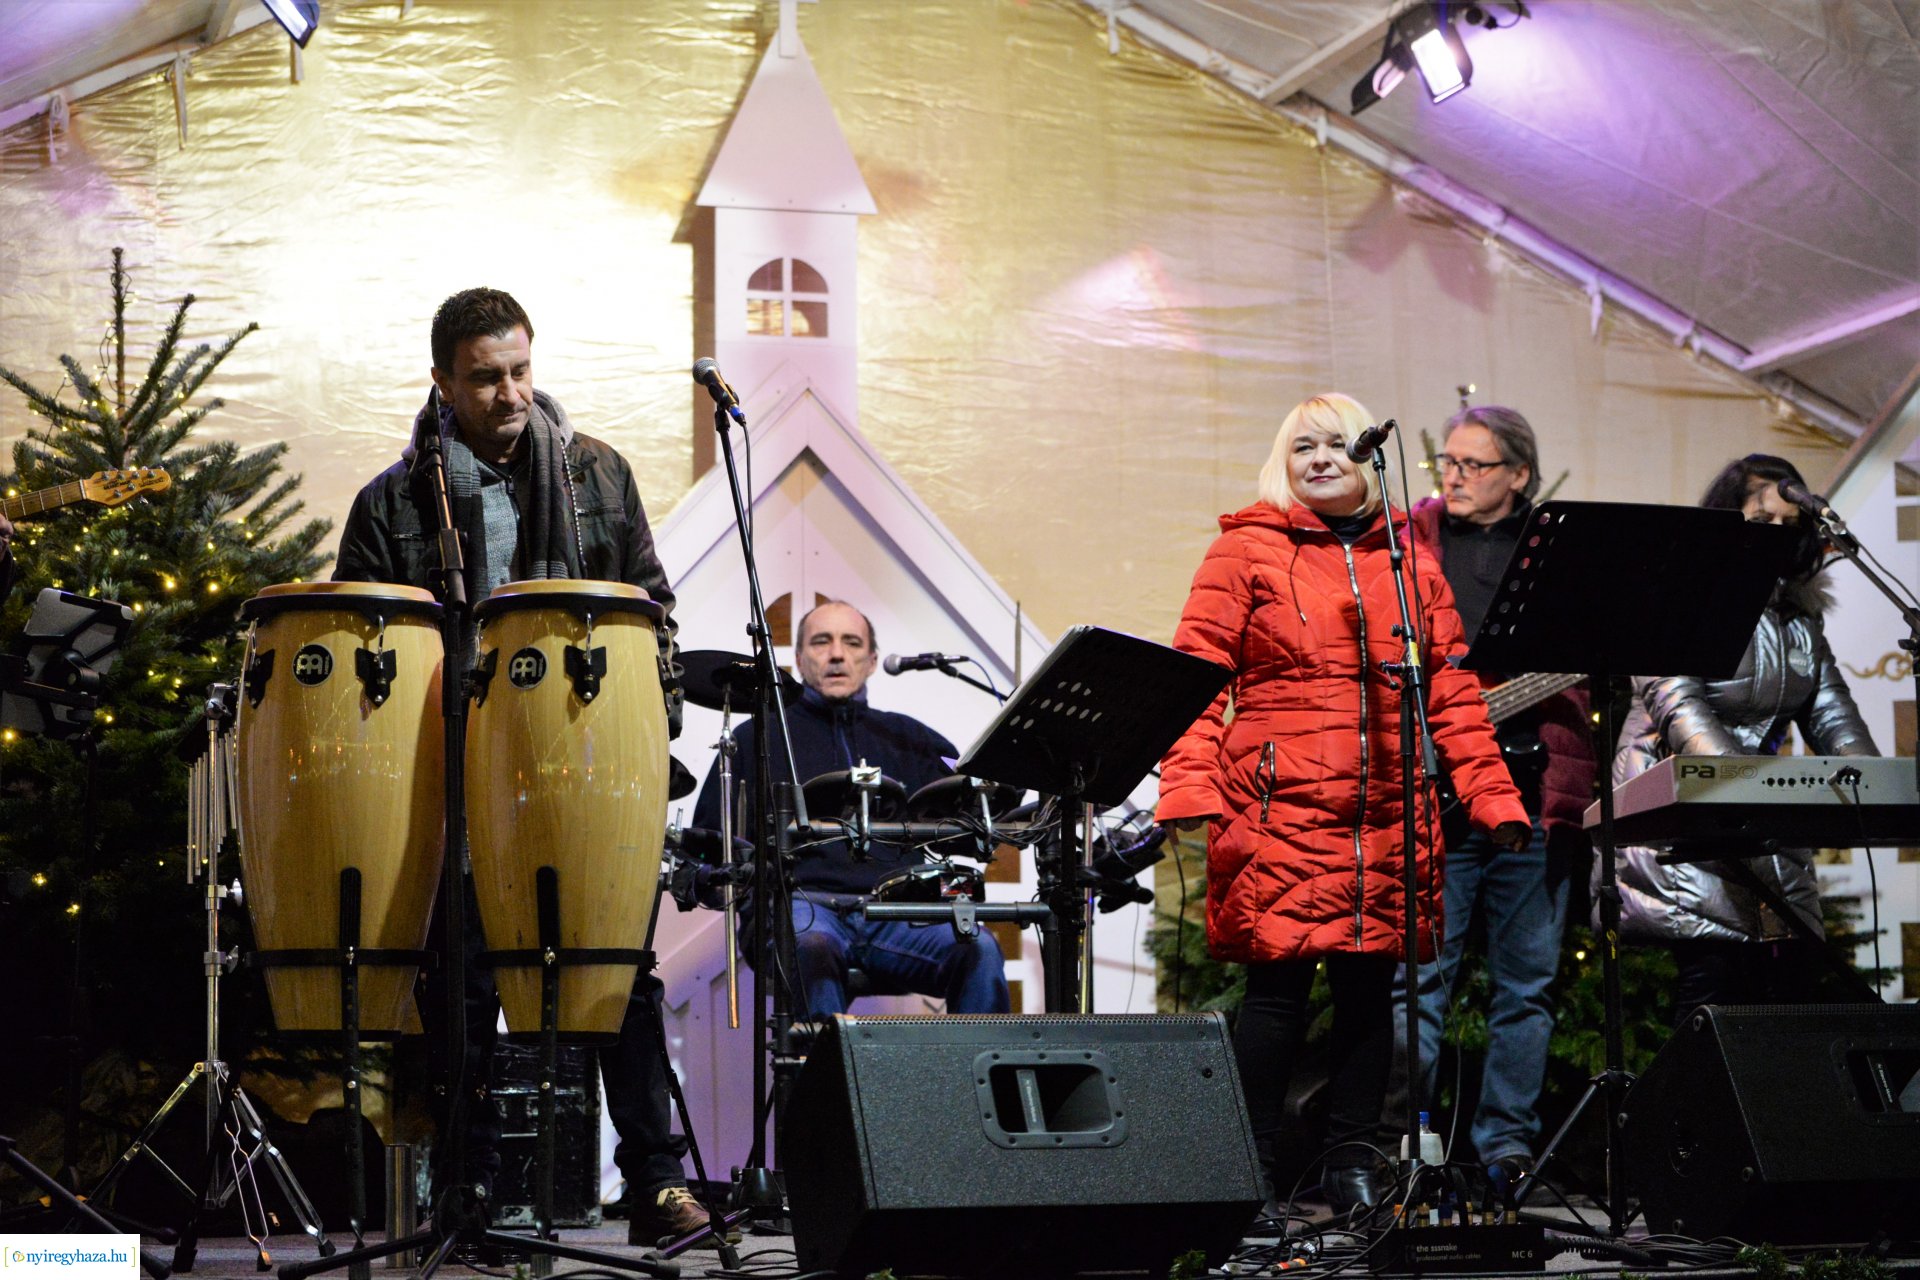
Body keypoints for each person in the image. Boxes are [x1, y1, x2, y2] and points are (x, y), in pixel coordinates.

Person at [334, 287, 711, 1245]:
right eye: (486, 378)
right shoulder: (393, 501)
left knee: (617, 978)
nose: (510, 395)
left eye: (521, 372)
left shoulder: (599, 474)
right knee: (459, 985)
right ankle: (464, 1198)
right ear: (442, 382)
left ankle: (657, 1189)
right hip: (456, 773)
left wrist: (651, 727)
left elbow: (651, 609)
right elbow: (360, 646)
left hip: (584, 767)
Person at [1155, 392, 1528, 1216]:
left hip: (1389, 811)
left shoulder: (1408, 561)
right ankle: (1244, 1173)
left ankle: (1353, 1166)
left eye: (1335, 444)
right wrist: (1188, 785)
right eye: (1302, 448)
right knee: (1277, 997)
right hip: (1278, 807)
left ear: (1365, 456)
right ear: (1281, 466)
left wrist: (1491, 796)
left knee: (1369, 995)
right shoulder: (1244, 551)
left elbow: (1454, 693)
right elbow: (1193, 677)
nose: (1321, 459)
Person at [1393, 406, 1595, 1191]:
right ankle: (1411, 1147)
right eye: (1448, 461)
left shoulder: (1556, 553)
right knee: (1419, 977)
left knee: (1528, 985)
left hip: (1537, 794)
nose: (1453, 476)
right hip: (1434, 794)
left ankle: (1506, 1153)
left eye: (1474, 465)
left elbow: (1586, 667)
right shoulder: (1409, 545)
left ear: (1518, 473)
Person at [1603, 453, 1876, 1022]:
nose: (1775, 536)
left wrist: (1872, 780)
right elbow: (1680, 706)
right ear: (1725, 521)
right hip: (1683, 826)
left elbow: (1831, 711)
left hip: (1758, 822)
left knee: (1785, 998)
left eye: (1788, 524)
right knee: (1712, 996)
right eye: (1761, 521)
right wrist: (1747, 785)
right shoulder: (1676, 599)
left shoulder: (1798, 617)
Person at [690, 600, 1010, 1018]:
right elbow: (709, 842)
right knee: (813, 946)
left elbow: (971, 815)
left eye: (851, 642)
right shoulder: (759, 737)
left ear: (872, 660)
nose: (837, 654)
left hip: (895, 914)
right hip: (804, 906)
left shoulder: (910, 739)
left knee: (978, 950)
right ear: (800, 660)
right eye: (821, 642)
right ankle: (828, 1084)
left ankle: (975, 1081)